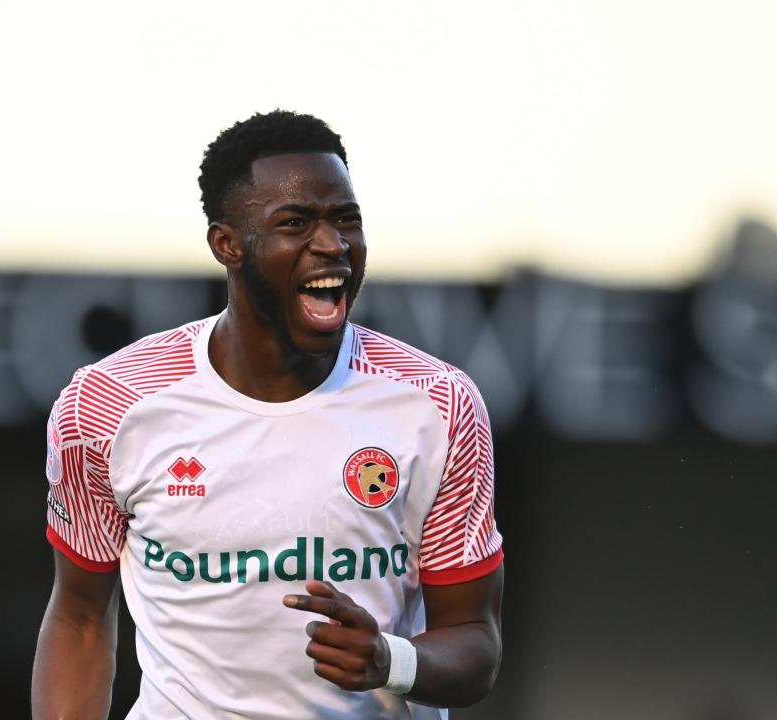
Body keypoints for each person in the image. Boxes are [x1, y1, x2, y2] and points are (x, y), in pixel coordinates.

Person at [31, 110, 504, 719]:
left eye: (346, 221)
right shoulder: (108, 404)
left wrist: (391, 662)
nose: (332, 245)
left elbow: (476, 645)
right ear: (227, 244)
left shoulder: (436, 404)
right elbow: (79, 618)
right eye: (296, 223)